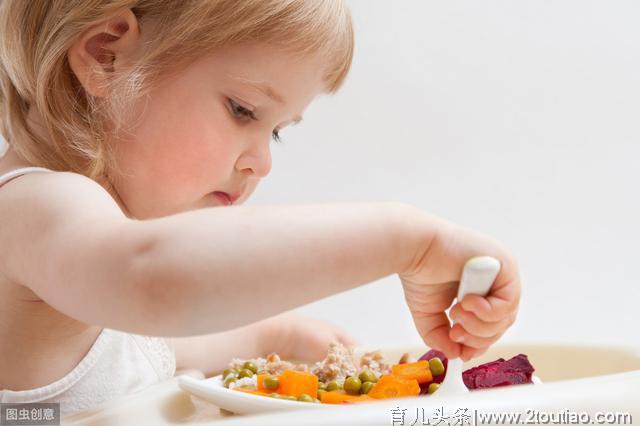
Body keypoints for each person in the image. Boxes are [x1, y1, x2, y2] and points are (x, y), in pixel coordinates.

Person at [0, 0, 521, 417]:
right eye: (242, 110)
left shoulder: (87, 272)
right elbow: (153, 278)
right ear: (105, 54)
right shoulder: (33, 204)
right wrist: (410, 242)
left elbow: (147, 350)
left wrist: (276, 335)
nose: (262, 163)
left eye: (275, 131)